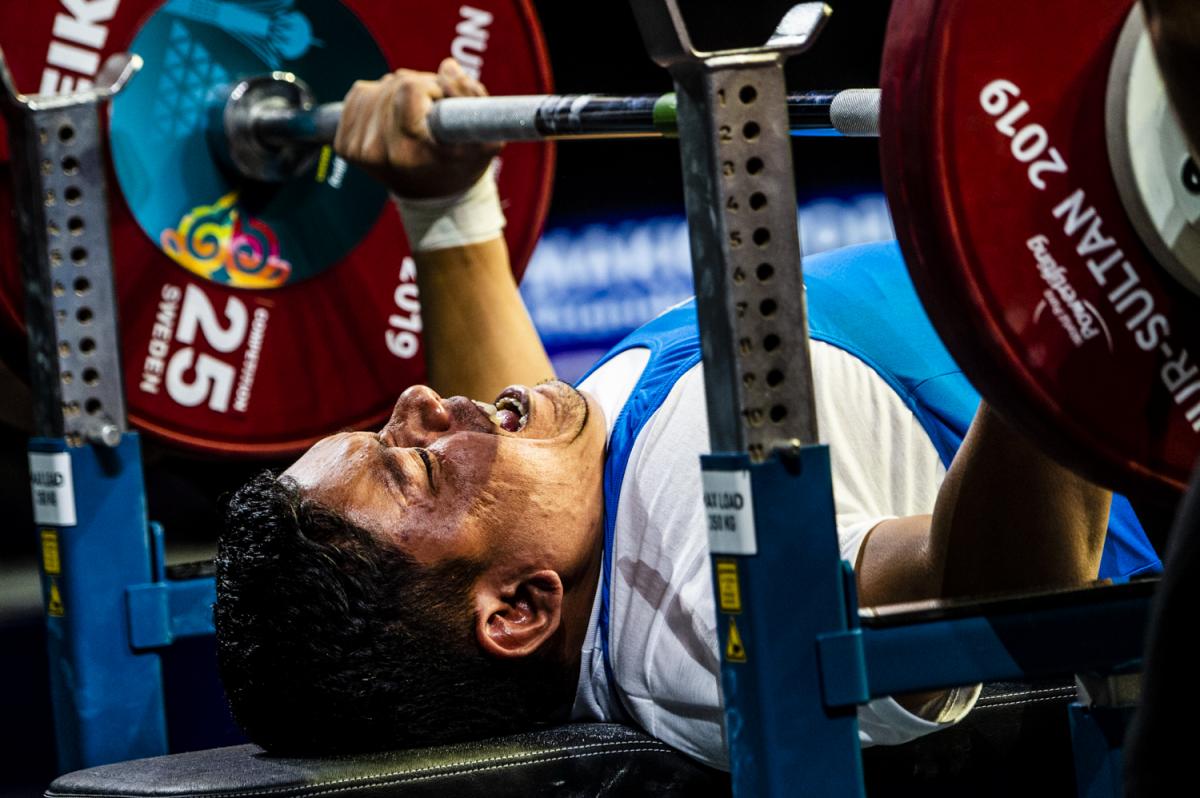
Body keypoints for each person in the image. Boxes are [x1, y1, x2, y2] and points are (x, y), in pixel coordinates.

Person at [214, 60, 1158, 768]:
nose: (419, 404)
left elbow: (524, 501)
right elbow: (1011, 593)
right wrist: (1065, 246)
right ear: (518, 611)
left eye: (384, 430)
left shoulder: (575, 541)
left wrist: (448, 206)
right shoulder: (707, 627)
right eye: (409, 464)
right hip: (1159, 376)